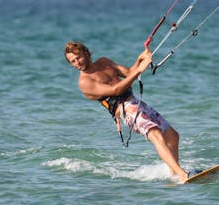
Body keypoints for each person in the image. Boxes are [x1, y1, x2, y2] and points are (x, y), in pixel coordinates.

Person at [64, 41, 189, 183]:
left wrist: (140, 59)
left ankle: (174, 174)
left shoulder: (104, 62)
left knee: (173, 136)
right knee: (155, 134)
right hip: (126, 110)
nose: (76, 63)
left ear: (86, 52)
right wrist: (139, 70)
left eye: (78, 58)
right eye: (72, 62)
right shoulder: (85, 82)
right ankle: (182, 174)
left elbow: (128, 73)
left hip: (136, 103)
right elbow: (115, 90)